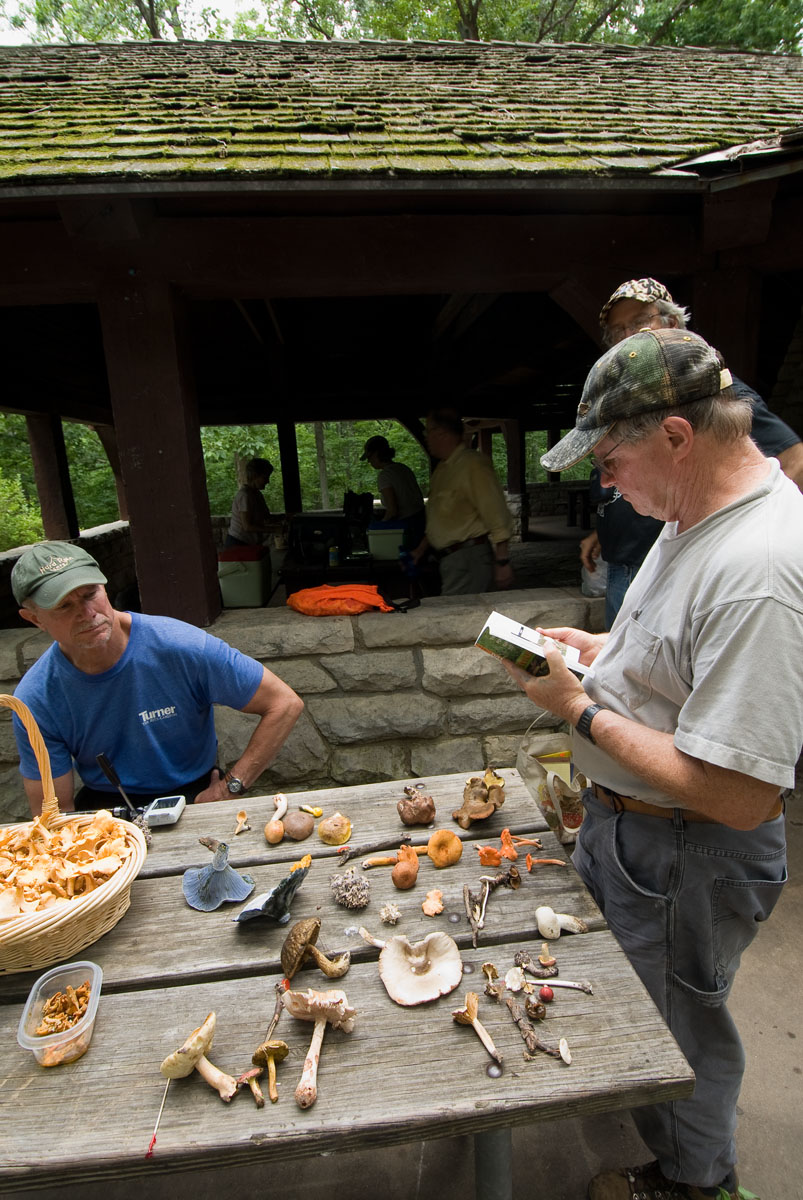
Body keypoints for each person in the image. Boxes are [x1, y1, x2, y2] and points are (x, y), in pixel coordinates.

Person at [502, 328, 802, 1200]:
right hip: (637, 831)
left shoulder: (760, 567)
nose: (603, 481)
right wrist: (600, 649)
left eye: (608, 457)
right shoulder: (692, 513)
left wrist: (575, 707)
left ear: (675, 435)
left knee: (681, 1029)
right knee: (652, 1006)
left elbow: (740, 795)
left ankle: (691, 1184)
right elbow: (679, 657)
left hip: (686, 847)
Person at [10, 541, 303, 816]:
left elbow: (284, 703)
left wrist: (232, 787)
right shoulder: (36, 699)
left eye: (91, 594)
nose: (88, 613)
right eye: (64, 606)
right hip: (106, 808)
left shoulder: (179, 646)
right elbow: (54, 814)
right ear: (35, 619)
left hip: (196, 797)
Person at [579, 276, 803, 627]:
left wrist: (735, 532)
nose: (628, 336)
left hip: (665, 559)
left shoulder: (711, 390)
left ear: (670, 322)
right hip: (631, 556)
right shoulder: (632, 399)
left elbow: (795, 460)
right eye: (618, 329)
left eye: (639, 321)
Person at [411, 408, 514, 595]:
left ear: (442, 433)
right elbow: (440, 519)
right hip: (451, 561)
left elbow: (496, 515)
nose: (426, 437)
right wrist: (420, 550)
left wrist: (502, 561)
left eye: (429, 431)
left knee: (457, 618)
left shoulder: (472, 465)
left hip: (468, 560)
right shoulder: (443, 470)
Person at [360, 434, 426, 548]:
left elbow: (392, 510)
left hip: (407, 528)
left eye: (369, 457)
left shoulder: (385, 475)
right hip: (423, 522)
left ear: (376, 454)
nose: (369, 462)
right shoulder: (403, 468)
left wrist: (380, 527)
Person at [226, 457, 276, 547]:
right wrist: (275, 529)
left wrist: (287, 517)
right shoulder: (245, 495)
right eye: (265, 477)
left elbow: (267, 518)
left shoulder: (257, 494)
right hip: (238, 543)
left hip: (249, 543)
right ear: (254, 476)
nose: (268, 481)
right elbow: (247, 526)